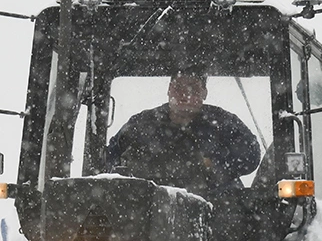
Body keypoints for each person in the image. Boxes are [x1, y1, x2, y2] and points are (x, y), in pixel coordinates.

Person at [107, 73, 261, 194]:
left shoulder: (223, 123)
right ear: (169, 90)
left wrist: (213, 165)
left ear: (204, 93)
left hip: (217, 210)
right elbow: (109, 157)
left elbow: (251, 156)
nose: (184, 94)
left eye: (193, 88)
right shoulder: (142, 124)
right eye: (178, 88)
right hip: (150, 211)